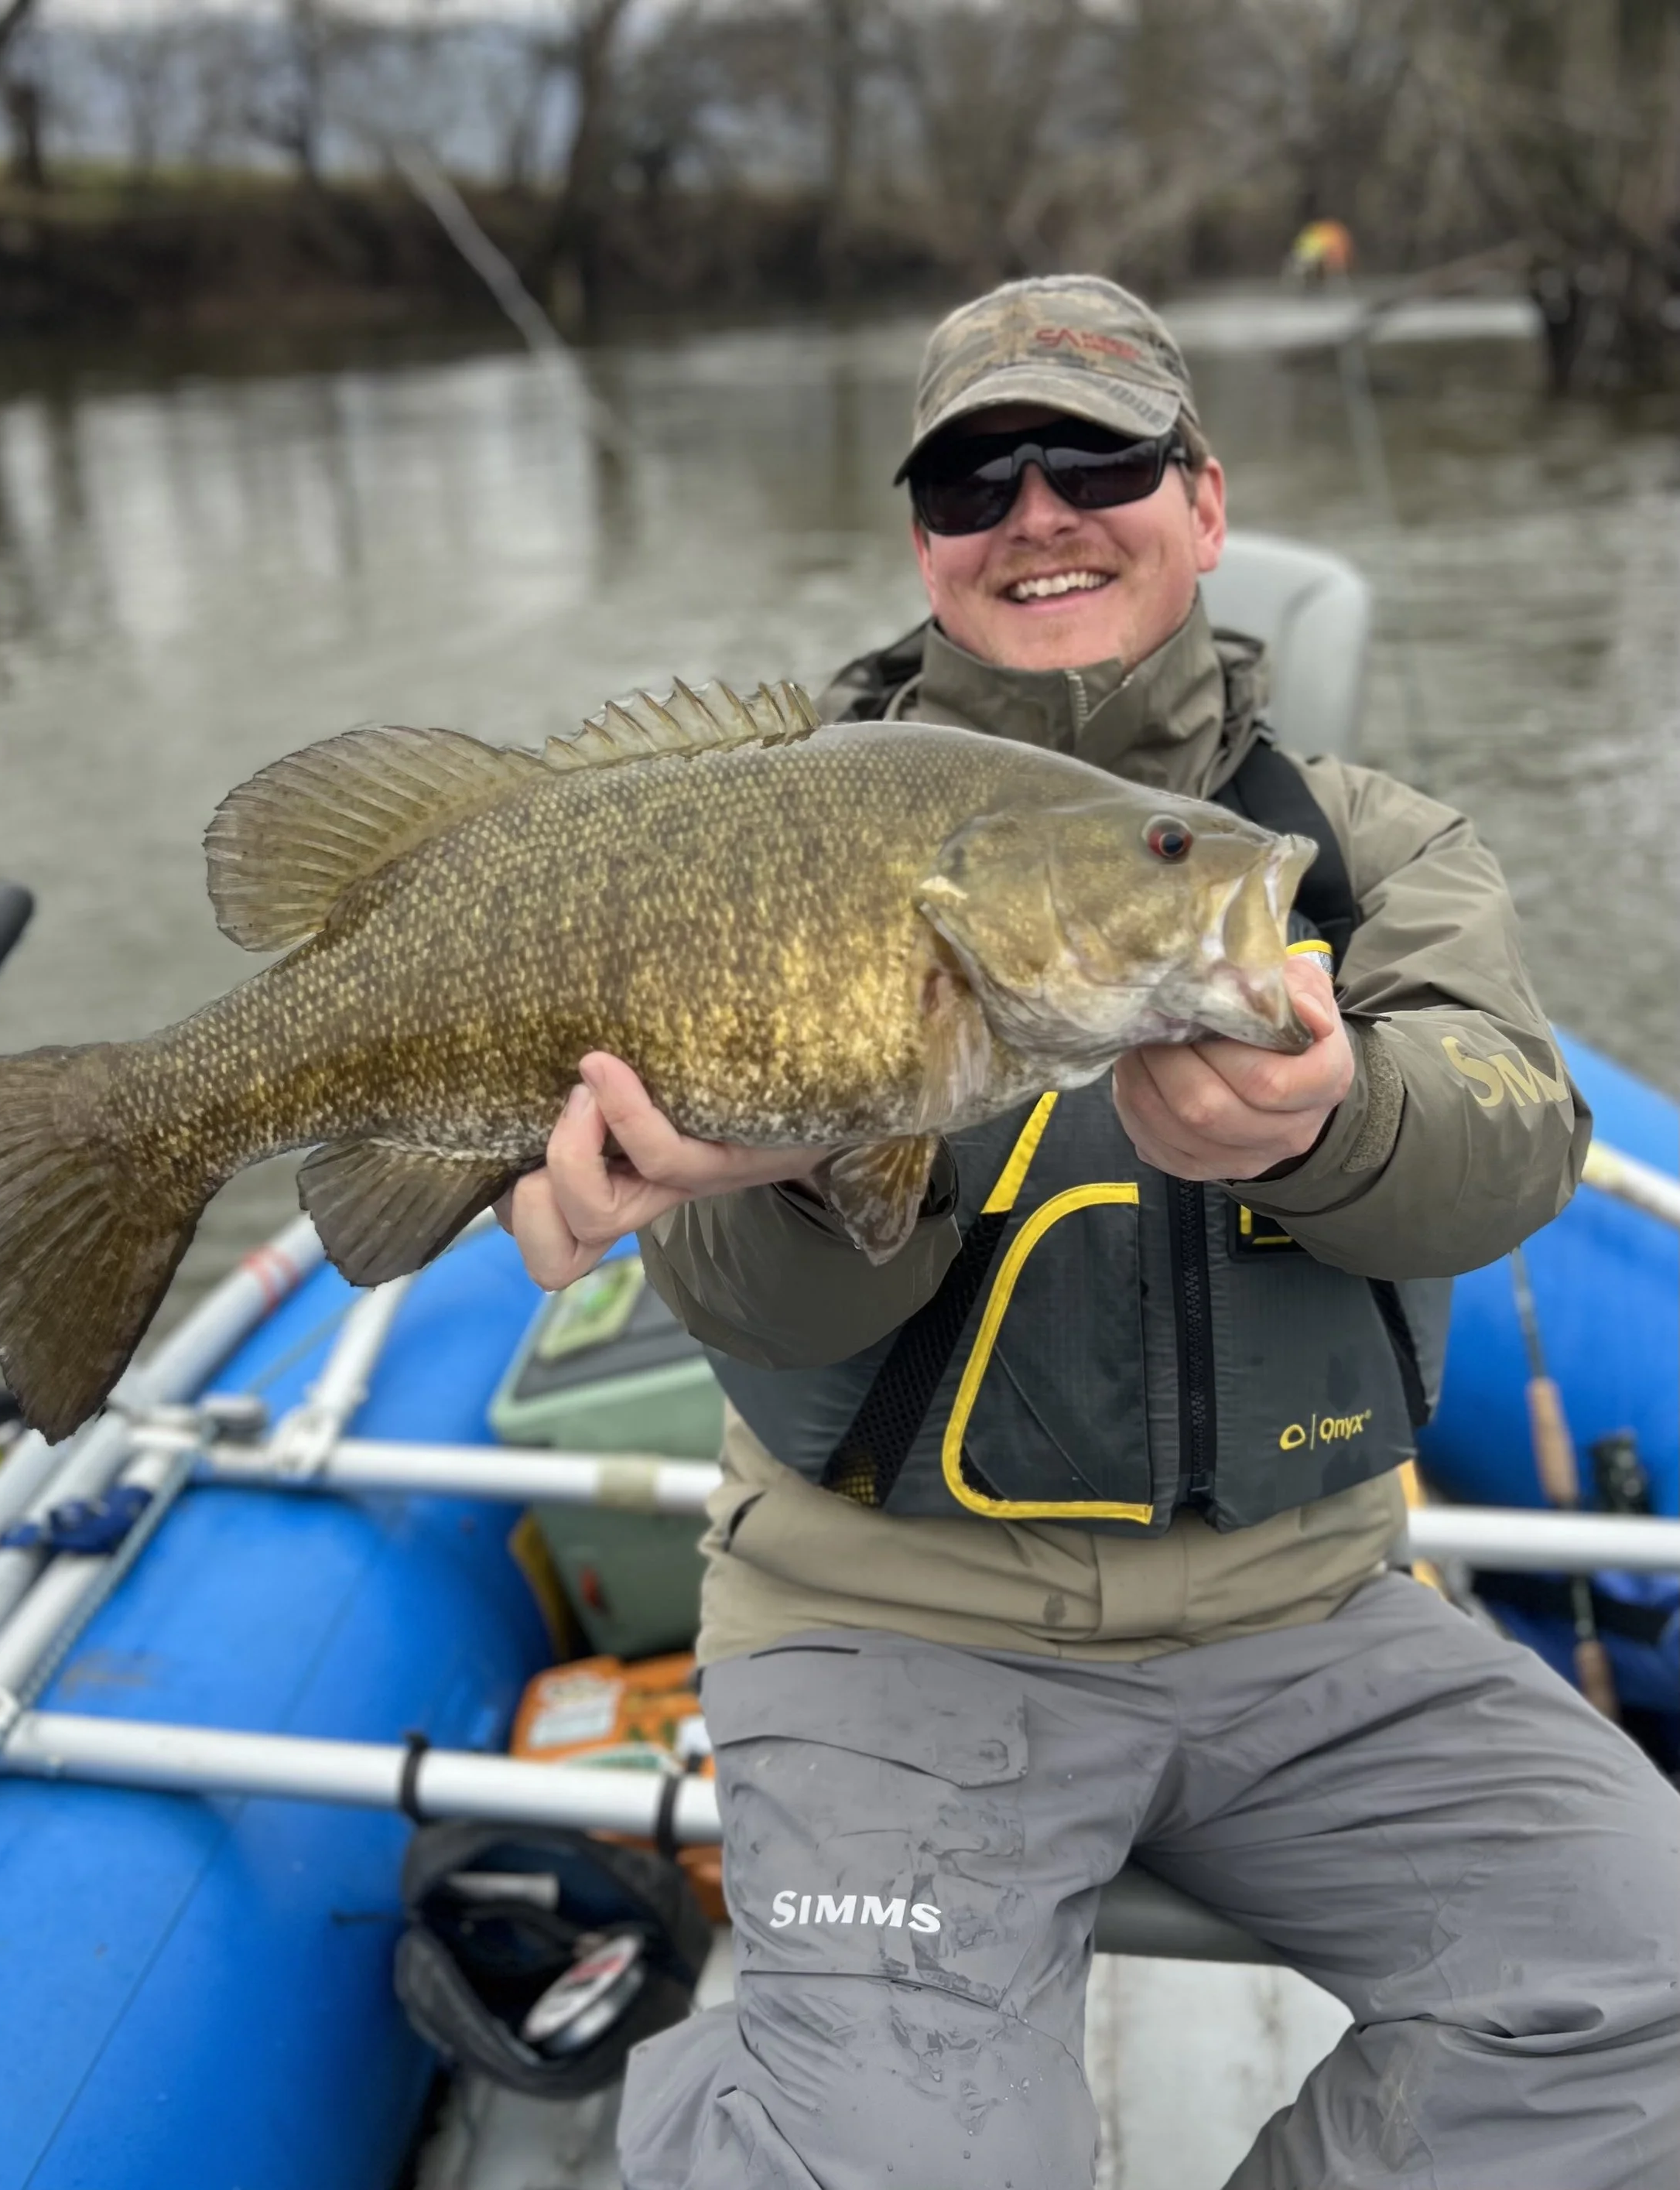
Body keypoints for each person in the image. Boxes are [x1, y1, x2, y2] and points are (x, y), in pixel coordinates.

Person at [498, 276, 1680, 2189]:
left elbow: (1514, 1135)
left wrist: (1334, 1118)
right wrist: (792, 1157)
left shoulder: (1355, 849)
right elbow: (768, 1322)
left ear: (1202, 504)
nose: (1035, 511)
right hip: (890, 1628)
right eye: (971, 479)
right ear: (923, 545)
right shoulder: (769, 841)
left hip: (1312, 1617)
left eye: (1096, 460)